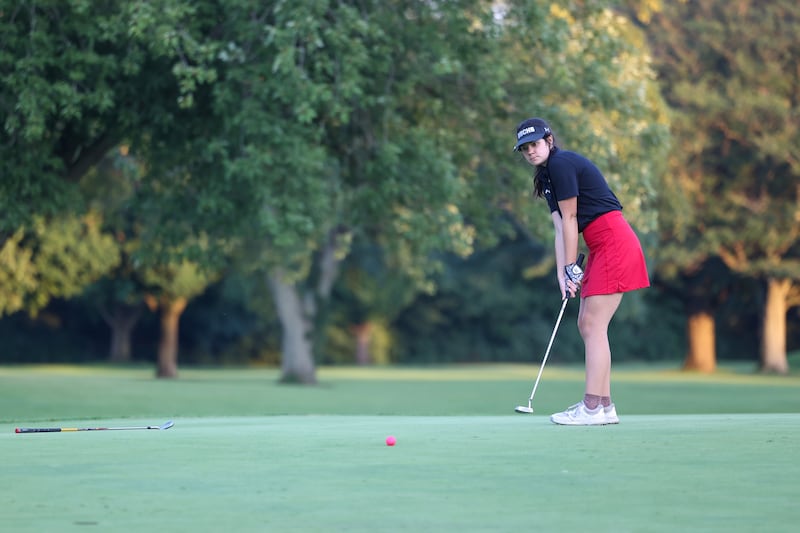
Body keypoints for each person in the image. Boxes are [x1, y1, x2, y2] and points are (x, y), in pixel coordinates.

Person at [514, 117, 650, 425]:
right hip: (601, 247)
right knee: (588, 325)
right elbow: (560, 227)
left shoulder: (561, 164)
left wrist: (570, 264)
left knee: (592, 324)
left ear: (548, 140)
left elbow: (573, 217)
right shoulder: (546, 177)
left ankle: (590, 408)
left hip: (613, 242)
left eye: (534, 144)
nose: (531, 152)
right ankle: (604, 407)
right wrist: (563, 274)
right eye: (525, 149)